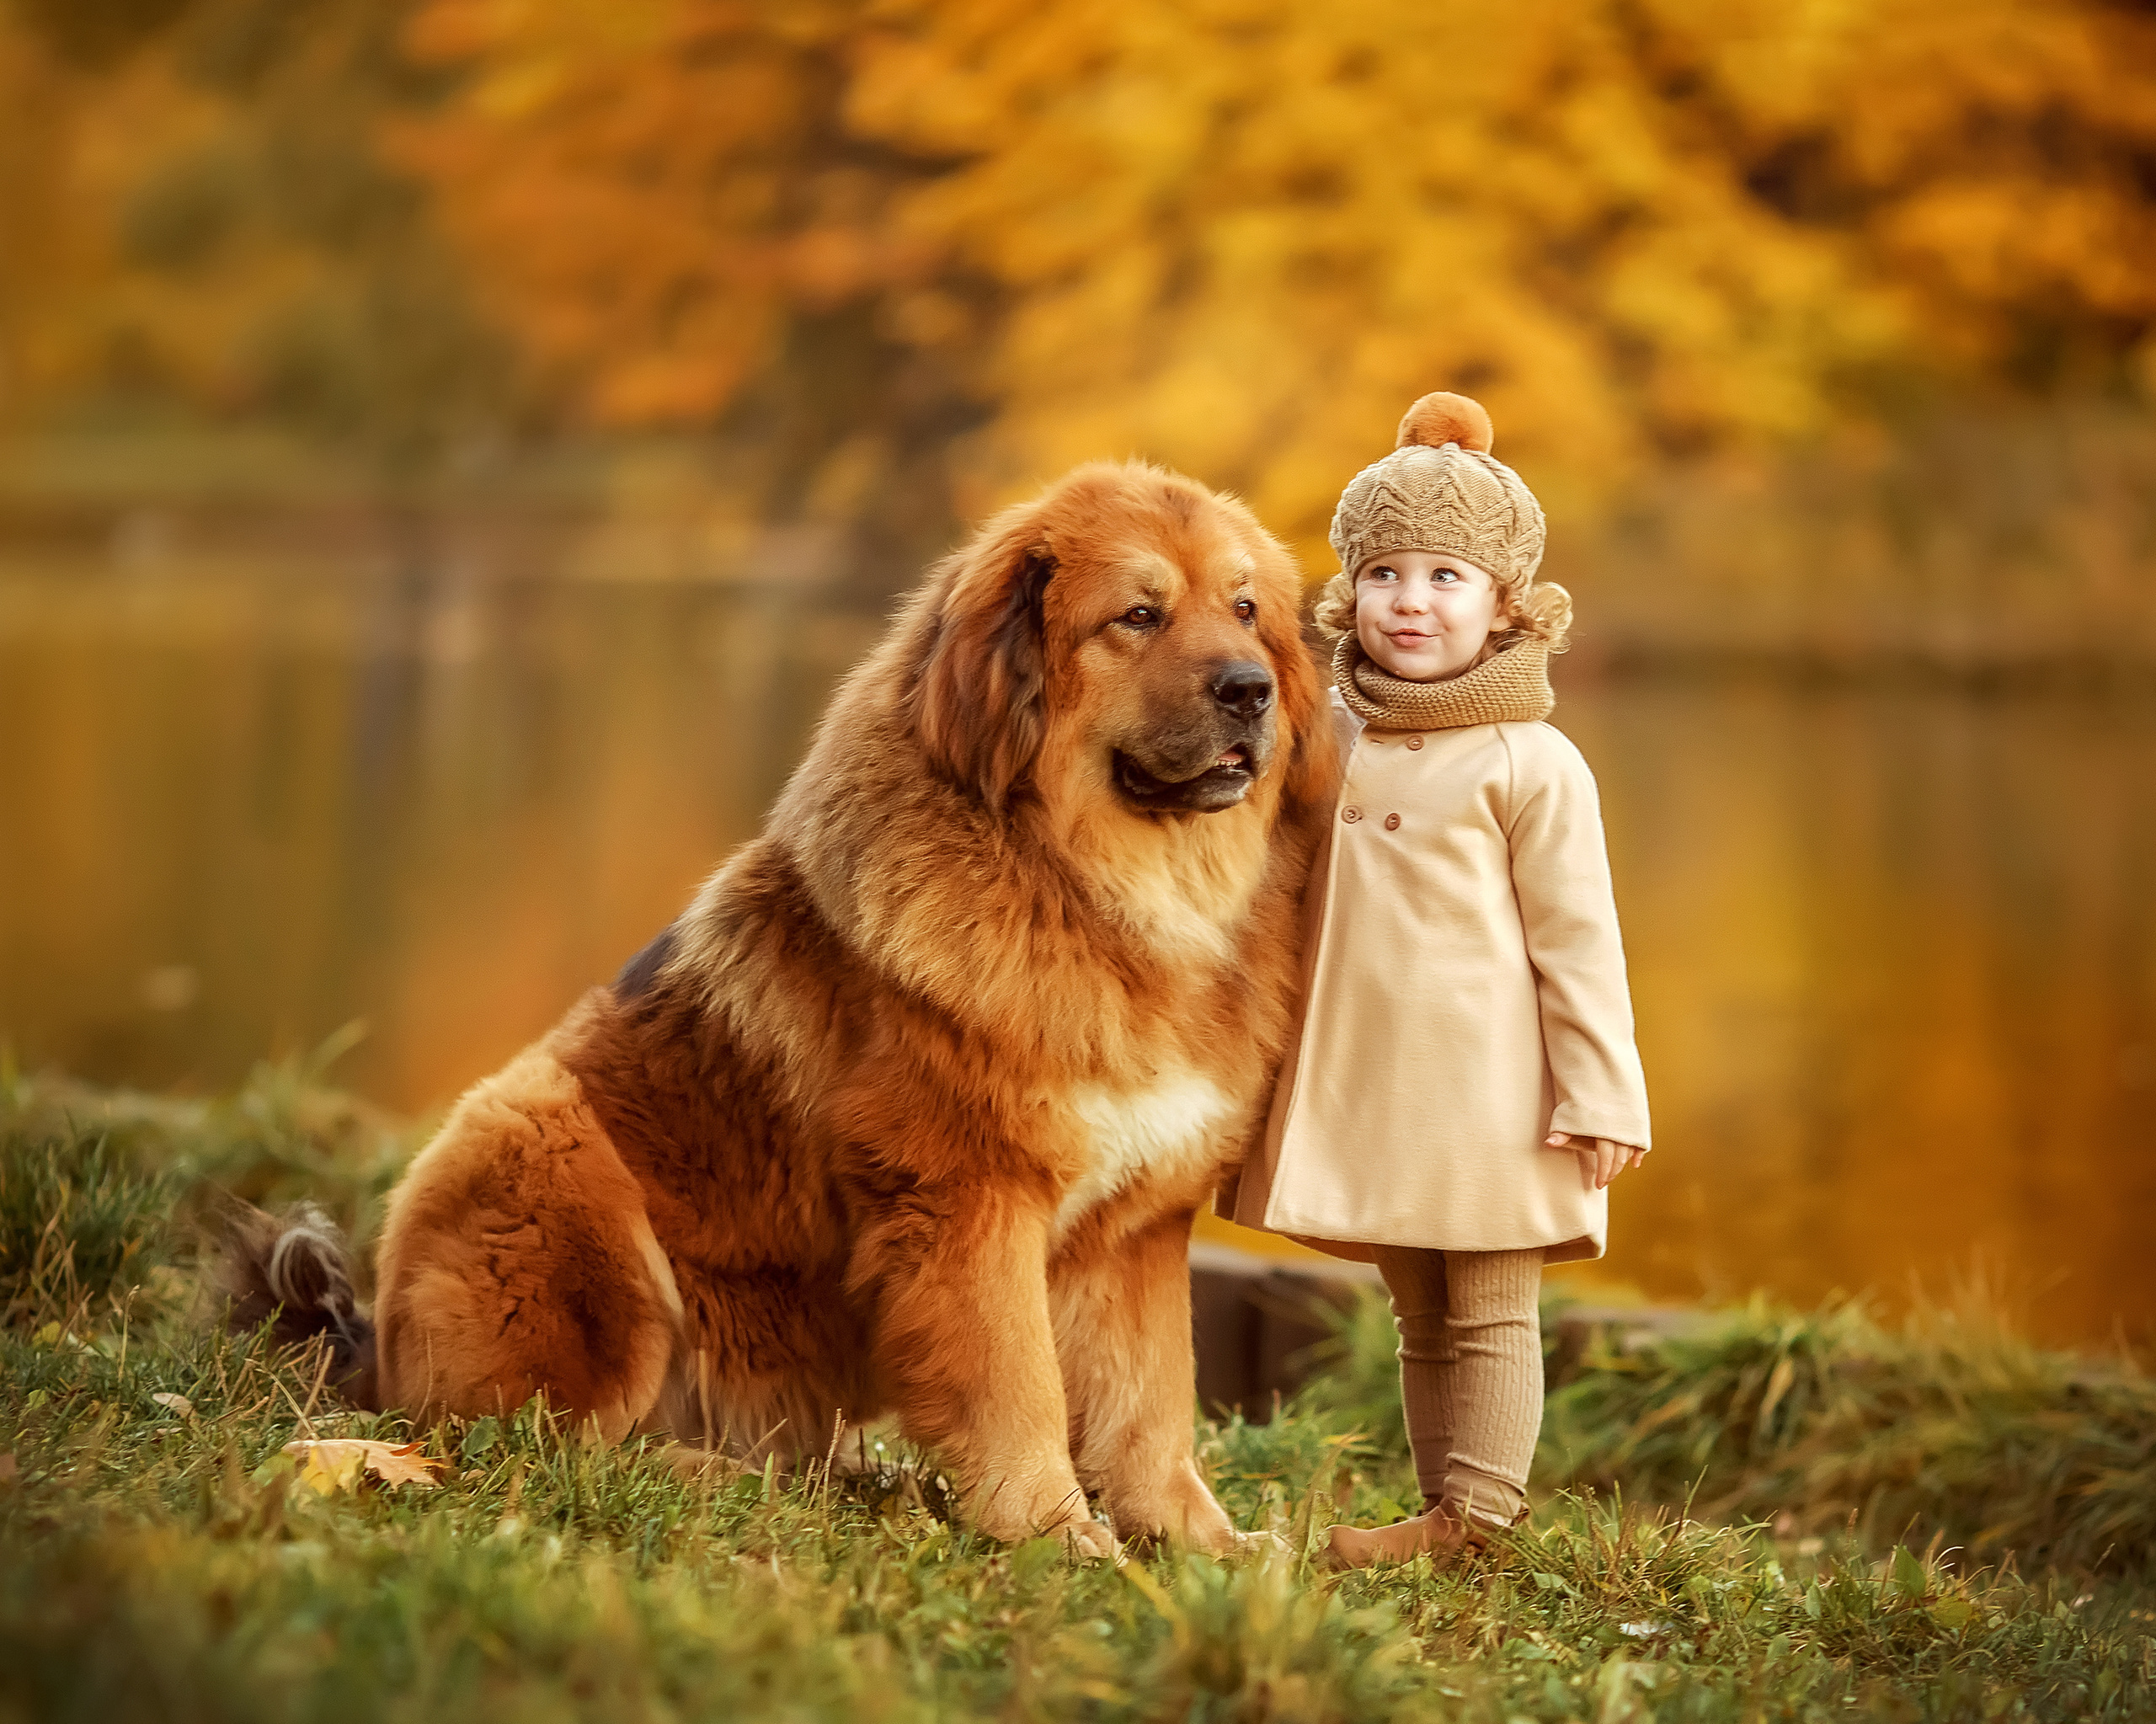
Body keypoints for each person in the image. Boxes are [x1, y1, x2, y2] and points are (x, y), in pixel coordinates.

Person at [1228, 390, 1652, 1569]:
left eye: (1446, 578)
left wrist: (1603, 1092)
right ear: (1348, 592)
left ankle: (1485, 1518)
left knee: (1492, 1301)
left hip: (1495, 1084)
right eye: (1384, 575)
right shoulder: (1339, 736)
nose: (1410, 601)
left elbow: (1581, 939)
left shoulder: (1531, 760)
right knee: (1418, 1304)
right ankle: (1441, 1514)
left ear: (1507, 605)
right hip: (1378, 1074)